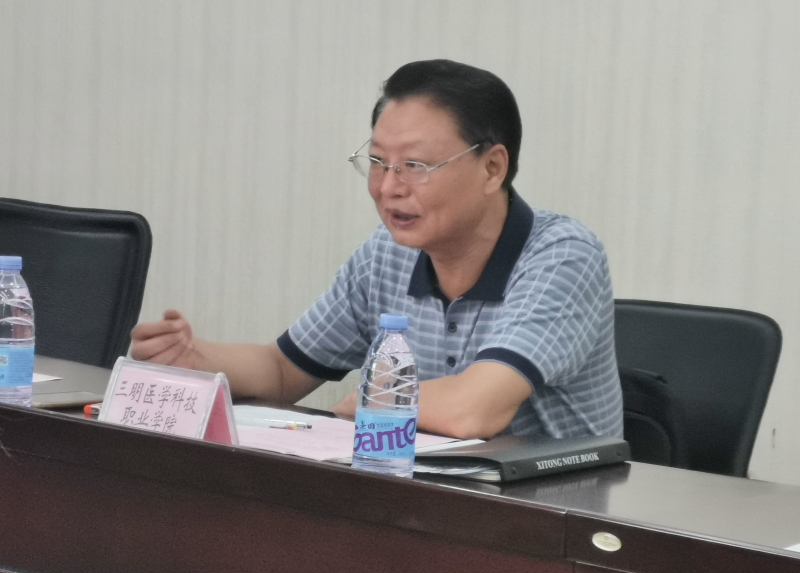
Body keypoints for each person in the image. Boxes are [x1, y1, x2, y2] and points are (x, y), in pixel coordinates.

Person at [131, 59, 623, 440]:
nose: (388, 188)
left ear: (492, 168)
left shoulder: (562, 256)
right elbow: (282, 371)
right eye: (378, 162)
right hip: (421, 500)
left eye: (415, 165)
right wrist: (194, 357)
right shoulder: (385, 255)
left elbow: (474, 410)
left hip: (558, 518)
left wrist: (365, 401)